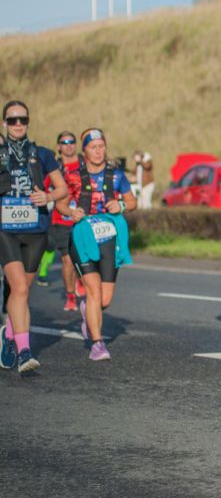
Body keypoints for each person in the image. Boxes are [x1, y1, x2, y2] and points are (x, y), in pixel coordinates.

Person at [57, 128, 136, 362]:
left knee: (104, 299)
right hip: (83, 238)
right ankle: (97, 343)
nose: (98, 151)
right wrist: (71, 211)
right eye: (93, 147)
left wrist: (120, 206)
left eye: (101, 146)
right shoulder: (73, 176)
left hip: (110, 239)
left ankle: (87, 312)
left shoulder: (116, 176)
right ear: (85, 151)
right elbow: (61, 204)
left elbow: (132, 201)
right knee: (92, 291)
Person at [0, 100, 68, 373]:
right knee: (18, 288)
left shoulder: (43, 154)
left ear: (28, 122)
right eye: (12, 120)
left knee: (23, 291)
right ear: (4, 123)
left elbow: (62, 188)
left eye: (22, 120)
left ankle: (8, 334)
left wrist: (49, 196)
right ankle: (24, 351)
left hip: (37, 230)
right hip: (6, 230)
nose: (18, 124)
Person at [35, 132, 83, 310]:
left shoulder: (84, 165)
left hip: (83, 218)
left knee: (84, 258)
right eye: (65, 142)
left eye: (72, 142)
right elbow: (43, 187)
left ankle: (81, 281)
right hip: (61, 220)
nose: (69, 145)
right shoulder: (55, 168)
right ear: (58, 146)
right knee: (68, 260)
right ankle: (70, 296)